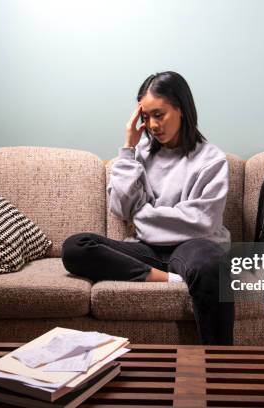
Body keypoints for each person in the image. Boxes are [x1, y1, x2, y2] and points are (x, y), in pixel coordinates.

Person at [61, 71, 234, 345]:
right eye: (146, 117)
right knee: (75, 247)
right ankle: (167, 278)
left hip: (195, 247)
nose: (152, 125)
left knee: (214, 267)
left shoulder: (211, 159)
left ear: (182, 109)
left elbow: (202, 222)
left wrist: (143, 215)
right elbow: (121, 208)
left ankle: (218, 364)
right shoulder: (140, 153)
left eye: (159, 114)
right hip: (148, 251)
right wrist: (128, 149)